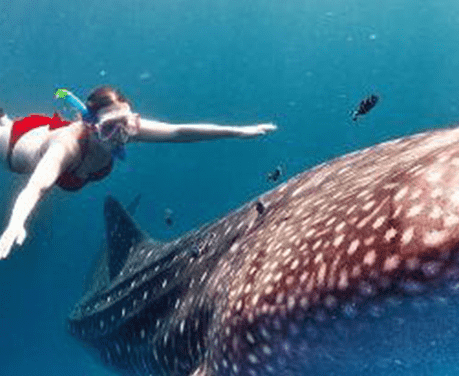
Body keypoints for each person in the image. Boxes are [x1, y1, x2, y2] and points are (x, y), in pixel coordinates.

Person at [0, 86, 277, 260]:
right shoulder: (67, 148)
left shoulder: (122, 132)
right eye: (111, 127)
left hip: (49, 126)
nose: (121, 135)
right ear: (91, 124)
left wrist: (237, 131)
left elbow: (179, 131)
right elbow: (36, 187)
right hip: (18, 143)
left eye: (127, 124)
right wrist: (15, 224)